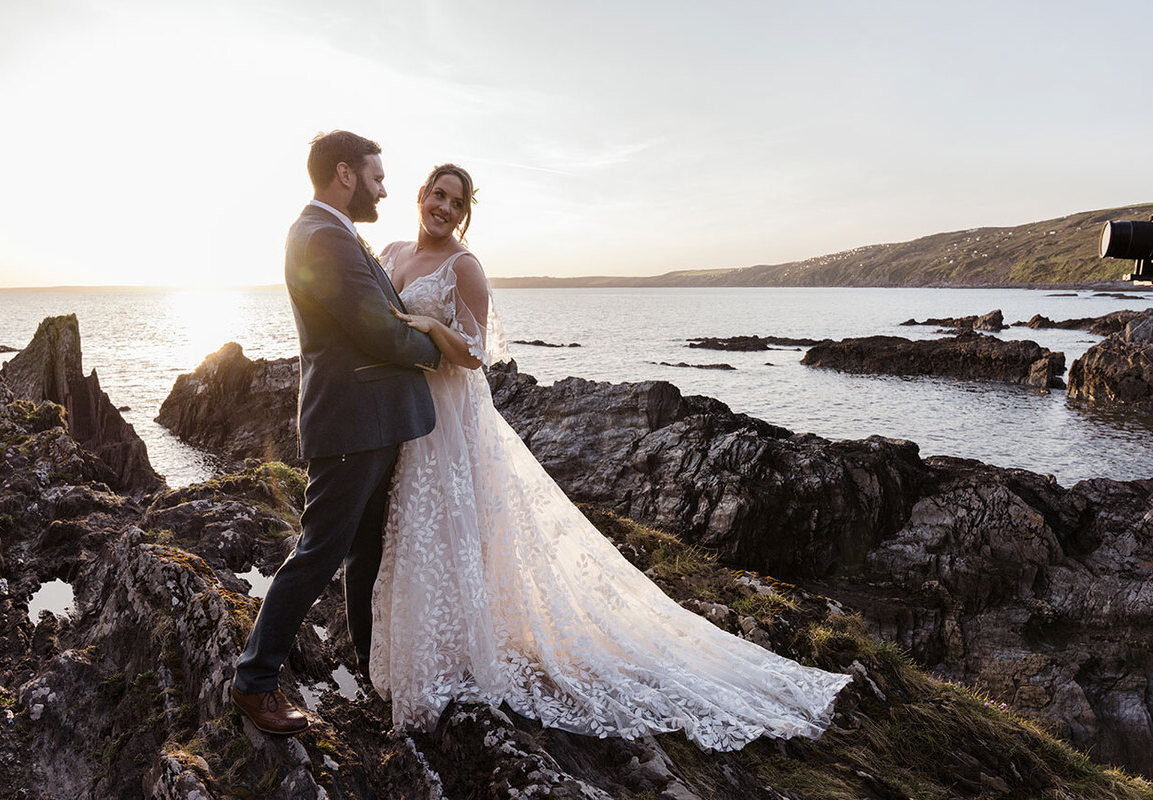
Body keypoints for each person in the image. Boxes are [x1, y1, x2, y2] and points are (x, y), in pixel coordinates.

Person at [370, 164, 853, 752]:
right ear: (421, 196)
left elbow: (473, 355)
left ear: (465, 213)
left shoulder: (465, 267)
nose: (443, 207)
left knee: (448, 528)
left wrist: (427, 326)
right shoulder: (392, 252)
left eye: (456, 202)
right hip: (408, 415)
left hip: (450, 416)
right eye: (437, 195)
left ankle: (452, 661)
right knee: (419, 529)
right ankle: (429, 652)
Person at [231, 131, 442, 736]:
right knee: (319, 552)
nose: (383, 188)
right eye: (377, 177)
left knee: (364, 550)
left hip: (370, 419)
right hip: (352, 422)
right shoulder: (322, 237)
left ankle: (372, 666)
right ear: (345, 175)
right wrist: (441, 348)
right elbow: (377, 330)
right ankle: (254, 681)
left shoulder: (331, 231)